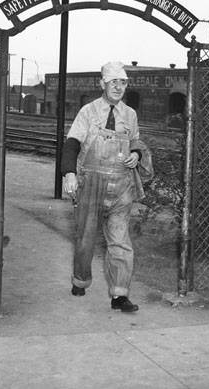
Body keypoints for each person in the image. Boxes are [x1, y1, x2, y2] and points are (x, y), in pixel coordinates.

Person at [61, 61, 153, 313]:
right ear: (102, 83)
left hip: (121, 184)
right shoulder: (88, 112)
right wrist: (69, 173)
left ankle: (120, 295)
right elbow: (71, 143)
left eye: (123, 82)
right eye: (113, 82)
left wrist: (136, 154)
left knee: (120, 241)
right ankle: (80, 280)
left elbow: (135, 141)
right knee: (85, 239)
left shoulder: (130, 115)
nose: (118, 87)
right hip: (91, 182)